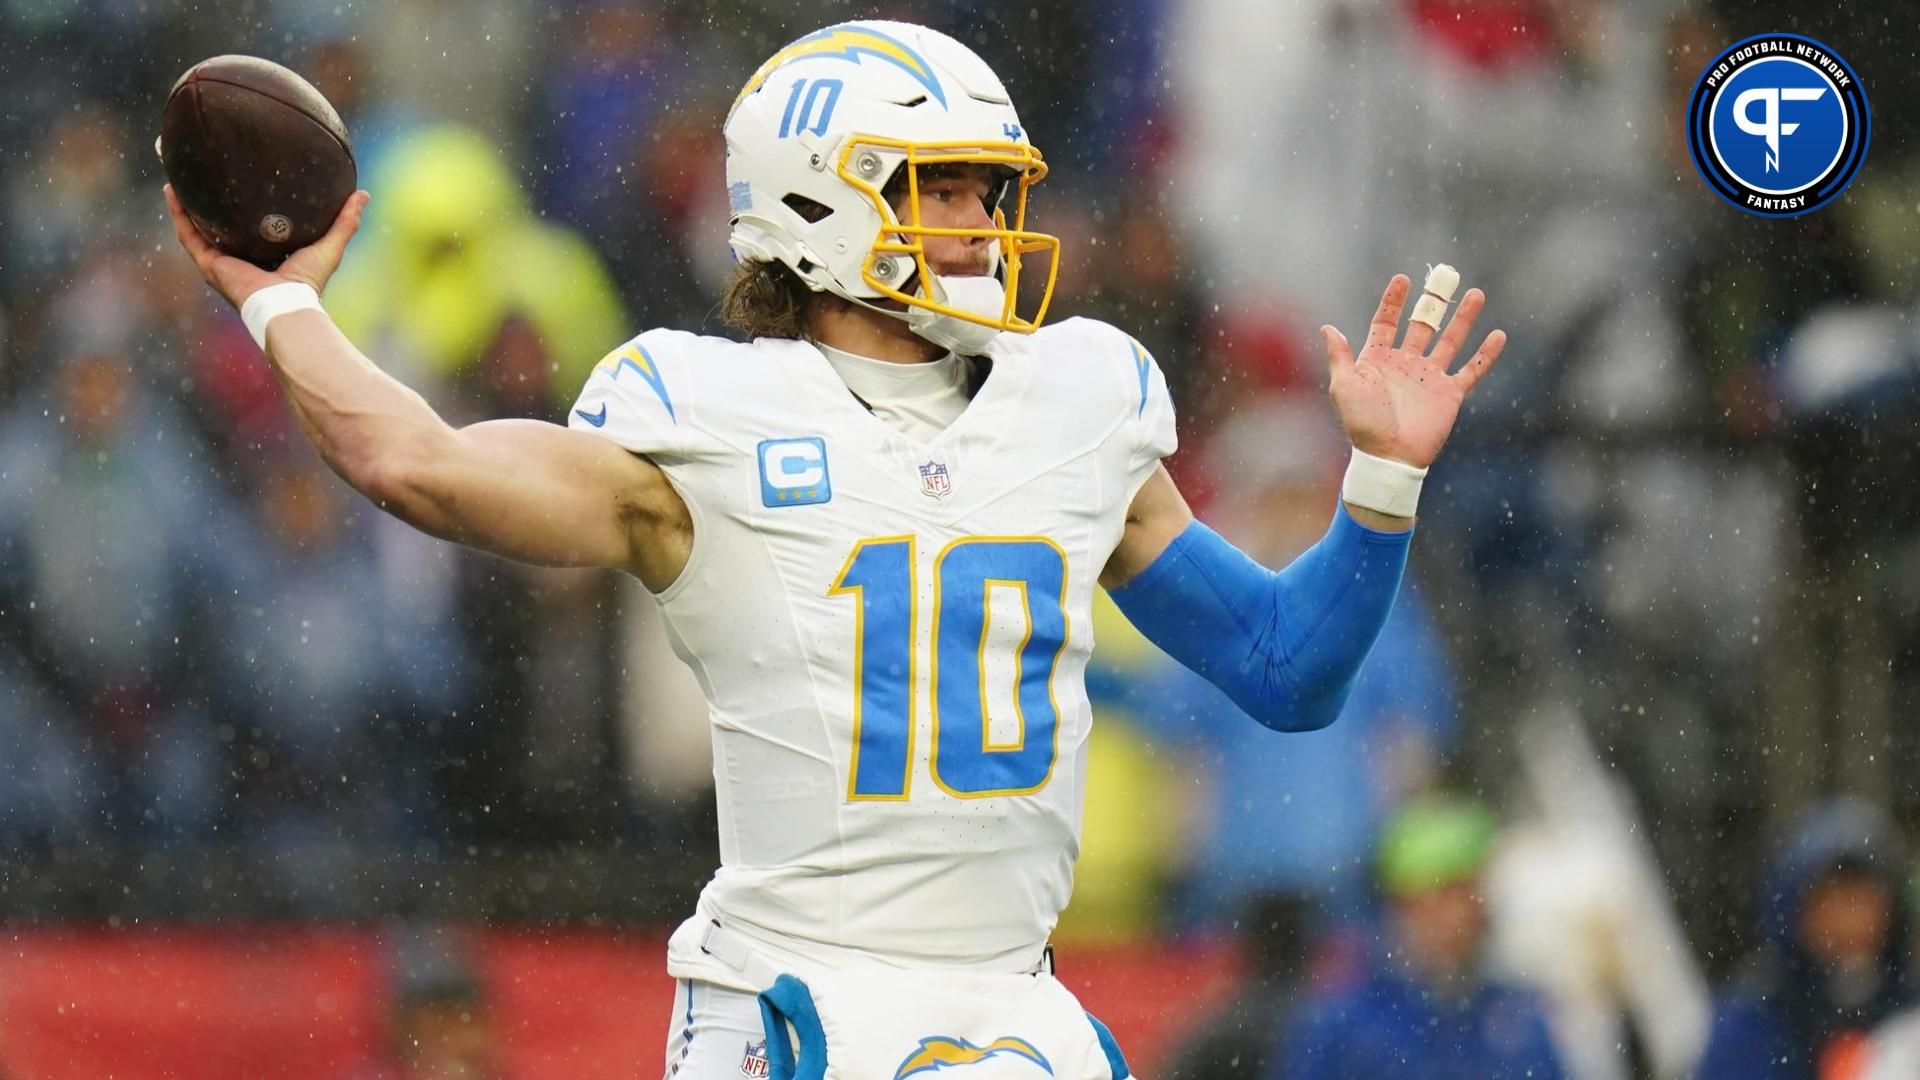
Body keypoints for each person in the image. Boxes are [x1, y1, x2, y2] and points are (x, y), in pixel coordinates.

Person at [164, 20, 1506, 1079]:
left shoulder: (1077, 399)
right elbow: (421, 465)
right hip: (798, 1002)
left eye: (993, 193)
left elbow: (1288, 666)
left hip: (1011, 1003)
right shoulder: (710, 418)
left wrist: (1382, 480)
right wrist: (283, 303)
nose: (986, 228)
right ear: (822, 204)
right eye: (948, 193)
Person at [1276, 796, 1567, 1080]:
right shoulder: (1346, 1025)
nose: (1462, 914)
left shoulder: (1516, 1018)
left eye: (1470, 893)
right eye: (1444, 896)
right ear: (1401, 906)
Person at [1696, 798, 1913, 1080]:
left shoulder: (1910, 1007)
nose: (1848, 920)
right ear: (1794, 911)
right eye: (1830, 900)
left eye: (1862, 901)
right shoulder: (1753, 1020)